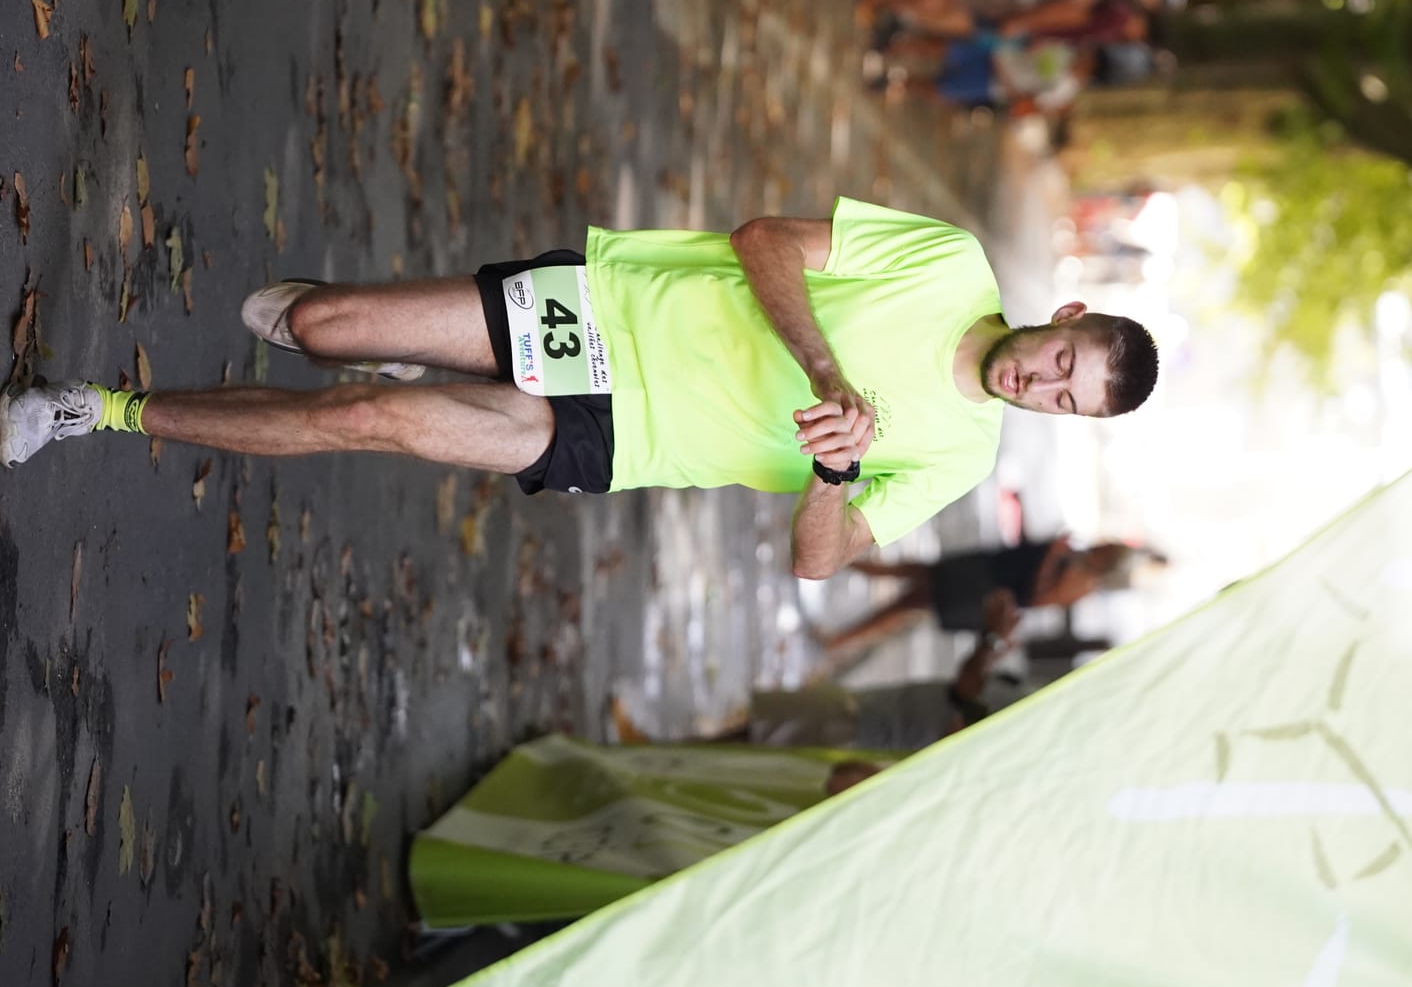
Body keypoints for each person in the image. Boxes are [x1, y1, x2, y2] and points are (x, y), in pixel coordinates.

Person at [1, 199, 1159, 578]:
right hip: (605, 315)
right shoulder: (946, 262)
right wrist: (822, 368)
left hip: (620, 439)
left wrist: (835, 468)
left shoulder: (960, 456)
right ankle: (373, 334)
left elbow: (822, 558)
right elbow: (762, 239)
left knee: (363, 418)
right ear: (1066, 316)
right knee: (315, 328)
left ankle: (91, 409)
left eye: (1064, 402)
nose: (1041, 384)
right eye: (1063, 362)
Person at [741, 583, 1030, 751]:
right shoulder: (1036, 709)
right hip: (872, 719)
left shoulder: (1028, 724)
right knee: (759, 729)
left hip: (867, 731)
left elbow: (965, 697)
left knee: (755, 735)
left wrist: (993, 639)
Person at [816, 531, 1149, 660]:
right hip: (984, 570)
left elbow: (1037, 598)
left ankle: (838, 640)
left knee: (905, 604)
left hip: (980, 590)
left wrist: (1051, 555)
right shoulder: (1078, 556)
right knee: (908, 573)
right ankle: (839, 559)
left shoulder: (1083, 582)